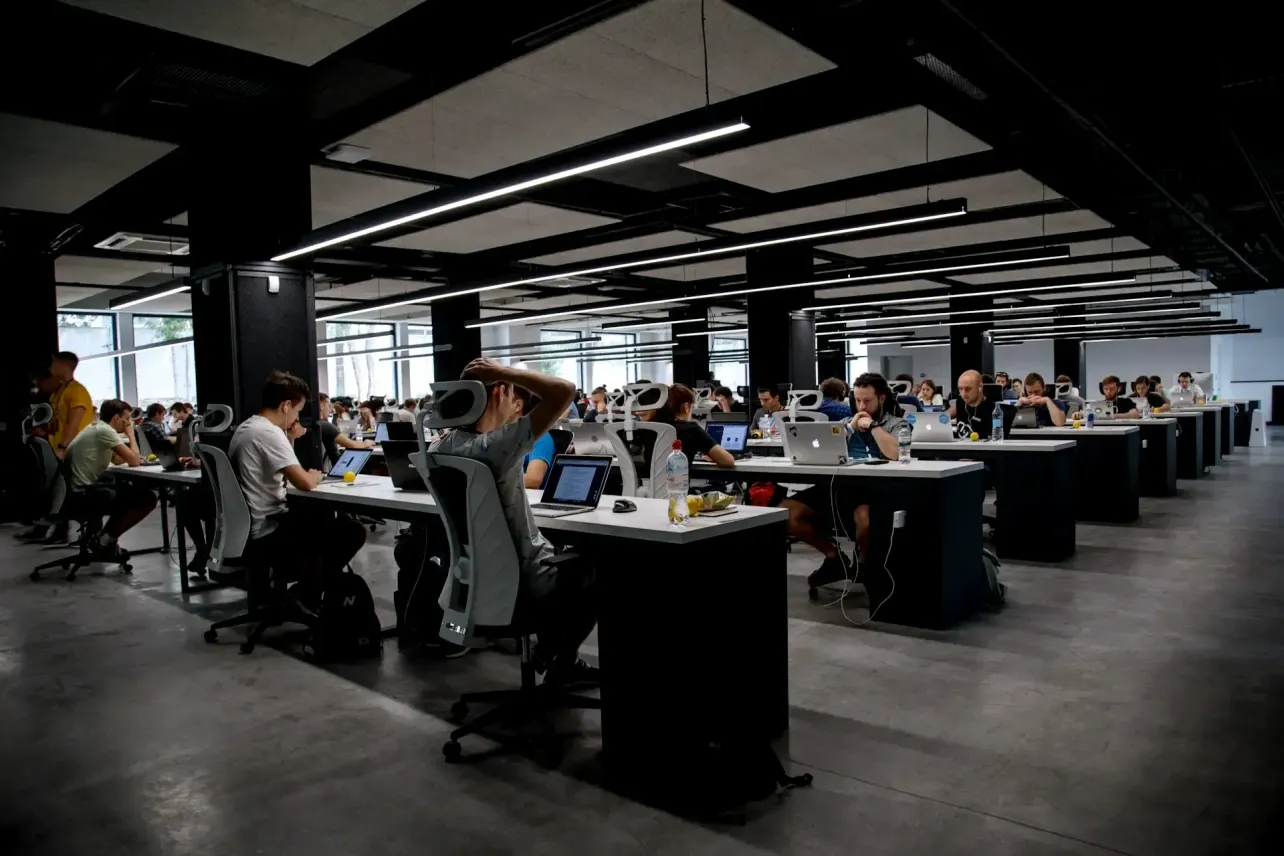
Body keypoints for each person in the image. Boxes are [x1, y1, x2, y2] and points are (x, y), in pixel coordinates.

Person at [429, 358, 596, 683]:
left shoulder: (440, 446)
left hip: (476, 579)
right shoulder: (496, 446)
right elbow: (565, 391)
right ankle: (561, 658)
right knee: (599, 562)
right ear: (498, 394)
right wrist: (505, 372)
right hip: (528, 578)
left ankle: (549, 653)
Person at [229, 371, 367, 611]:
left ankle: (302, 594)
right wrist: (315, 475)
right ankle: (304, 595)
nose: (297, 416)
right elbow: (304, 481)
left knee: (323, 522)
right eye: (297, 410)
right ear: (285, 406)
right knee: (350, 530)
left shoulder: (249, 427)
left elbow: (277, 464)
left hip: (249, 526)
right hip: (268, 529)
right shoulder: (269, 433)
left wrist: (289, 438)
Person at [787, 373, 905, 598]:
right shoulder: (845, 423)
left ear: (881, 398)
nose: (861, 406)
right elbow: (825, 451)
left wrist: (872, 426)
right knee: (787, 513)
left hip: (874, 489)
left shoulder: (896, 423)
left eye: (867, 401)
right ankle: (834, 557)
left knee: (865, 519)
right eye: (858, 400)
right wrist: (850, 428)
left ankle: (863, 565)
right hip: (839, 486)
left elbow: (897, 453)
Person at [64, 399, 157, 560]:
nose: (129, 422)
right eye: (126, 419)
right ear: (115, 418)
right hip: (83, 495)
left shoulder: (96, 428)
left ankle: (104, 540)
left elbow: (118, 459)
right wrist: (131, 435)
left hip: (74, 492)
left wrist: (130, 456)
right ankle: (104, 540)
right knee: (147, 498)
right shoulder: (106, 431)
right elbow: (133, 461)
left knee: (126, 492)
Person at [652, 383, 736, 468]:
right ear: (686, 407)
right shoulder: (691, 429)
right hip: (678, 480)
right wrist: (714, 456)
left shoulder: (652, 427)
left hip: (649, 480)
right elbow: (728, 461)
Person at [48, 351, 94, 460]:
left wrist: (62, 447)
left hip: (75, 453)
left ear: (63, 366)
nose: (51, 367)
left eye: (54, 363)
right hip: (61, 451)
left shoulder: (77, 390)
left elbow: (74, 423)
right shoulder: (58, 392)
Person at [513, 387, 557, 489]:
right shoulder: (503, 435)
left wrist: (493, 479)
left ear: (518, 405)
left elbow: (533, 480)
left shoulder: (540, 437)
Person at [317, 393, 374, 467]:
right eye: (329, 406)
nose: (330, 410)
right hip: (337, 467)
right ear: (321, 406)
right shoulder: (324, 425)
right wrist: (365, 443)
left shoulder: (314, 424)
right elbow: (352, 444)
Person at [948, 370, 993, 438]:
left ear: (980, 387)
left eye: (968, 389)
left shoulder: (991, 407)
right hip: (961, 446)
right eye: (960, 389)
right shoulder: (960, 400)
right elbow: (943, 417)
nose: (963, 394)